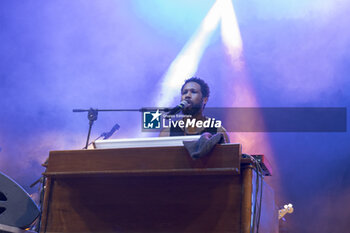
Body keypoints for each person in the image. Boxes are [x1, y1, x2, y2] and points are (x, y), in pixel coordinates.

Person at [159, 77, 230, 143]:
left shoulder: (218, 131)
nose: (187, 95)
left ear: (205, 99)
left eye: (193, 92)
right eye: (184, 92)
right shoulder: (167, 133)